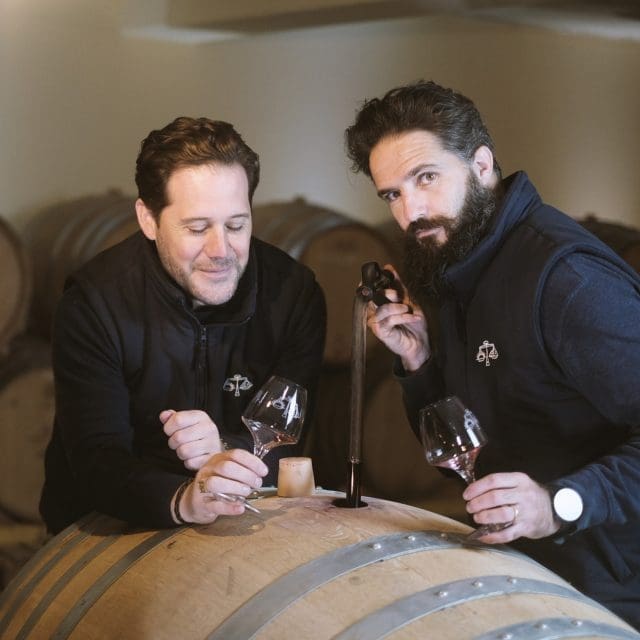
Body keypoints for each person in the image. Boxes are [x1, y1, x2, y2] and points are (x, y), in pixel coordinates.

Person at [345, 80, 640, 628]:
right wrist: (420, 364)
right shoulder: (457, 265)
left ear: (481, 166)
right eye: (392, 195)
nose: (411, 212)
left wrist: (557, 504)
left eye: (425, 178)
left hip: (614, 593)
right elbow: (471, 454)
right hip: (530, 573)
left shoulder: (567, 280)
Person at [40, 117, 326, 534]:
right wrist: (184, 499)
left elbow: (286, 439)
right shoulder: (94, 302)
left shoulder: (293, 293)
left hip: (241, 521)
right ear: (148, 219)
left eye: (236, 225)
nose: (221, 250)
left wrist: (223, 449)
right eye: (196, 228)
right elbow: (96, 458)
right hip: (109, 528)